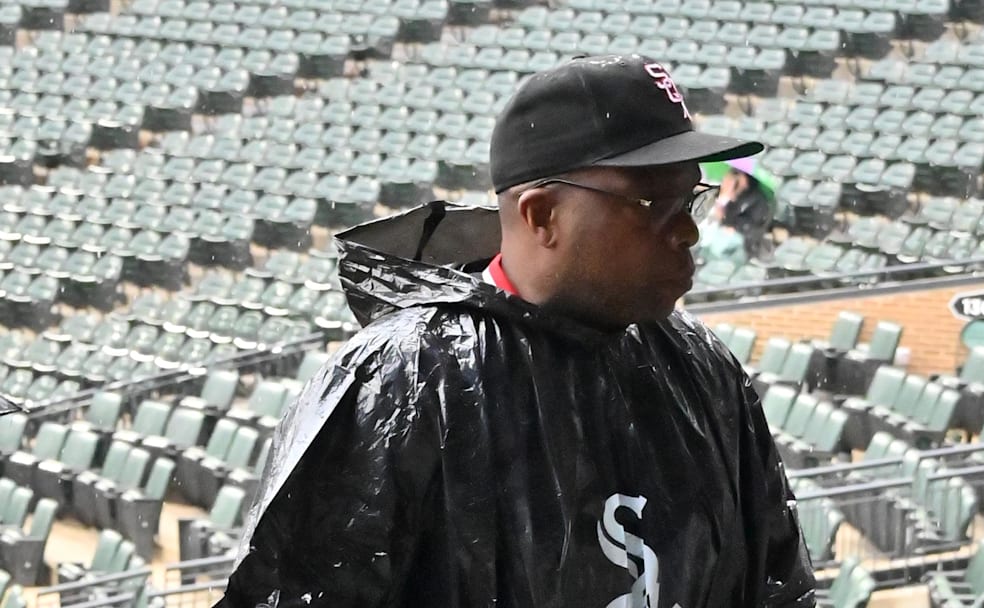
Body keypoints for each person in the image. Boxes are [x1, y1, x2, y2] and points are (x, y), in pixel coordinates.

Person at [216, 55, 816, 608]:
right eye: (654, 203)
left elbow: (775, 583)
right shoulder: (401, 382)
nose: (688, 233)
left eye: (691, 201)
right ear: (542, 216)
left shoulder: (701, 366)